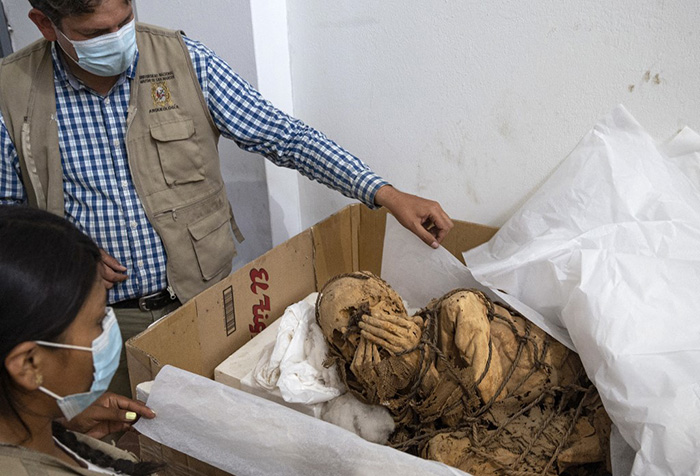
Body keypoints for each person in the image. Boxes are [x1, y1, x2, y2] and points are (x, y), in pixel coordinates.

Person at [0, 0, 454, 398]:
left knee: (211, 424)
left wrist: (384, 193)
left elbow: (285, 136)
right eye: (95, 33)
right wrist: (65, 253)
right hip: (100, 321)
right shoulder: (11, 92)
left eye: (125, 21)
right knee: (122, 433)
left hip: (203, 299)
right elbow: (7, 219)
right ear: (44, 23)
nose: (118, 40)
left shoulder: (182, 60)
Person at [316, 272, 612, 475]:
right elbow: (427, 429)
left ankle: (589, 444)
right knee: (435, 452)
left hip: (589, 398)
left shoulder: (458, 310)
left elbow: (484, 402)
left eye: (363, 318)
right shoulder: (376, 379)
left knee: (440, 452)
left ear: (392, 301)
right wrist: (393, 384)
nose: (359, 339)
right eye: (344, 340)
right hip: (531, 417)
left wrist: (417, 364)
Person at [0, 205, 161, 475]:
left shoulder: (39, 430)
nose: (109, 332)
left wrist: (61, 418)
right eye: (98, 322)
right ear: (29, 364)